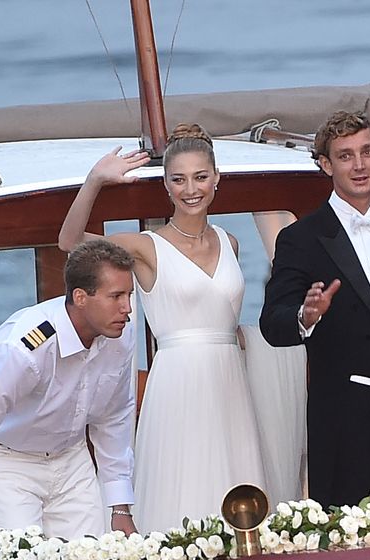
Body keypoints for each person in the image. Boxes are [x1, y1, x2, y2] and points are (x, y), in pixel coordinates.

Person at [59, 123, 266, 533]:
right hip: (178, 382)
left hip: (230, 382)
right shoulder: (146, 246)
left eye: (200, 177)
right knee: (182, 484)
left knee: (234, 485)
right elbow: (69, 241)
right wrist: (96, 180)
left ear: (216, 179)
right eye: (179, 180)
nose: (191, 189)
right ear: (167, 187)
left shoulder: (231, 241)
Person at [260, 110, 370, 508]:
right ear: (325, 164)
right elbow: (272, 323)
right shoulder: (301, 239)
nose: (359, 165)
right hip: (345, 426)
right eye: (345, 155)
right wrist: (306, 316)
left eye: (367, 152)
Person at [0, 240, 138, 539]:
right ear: (81, 297)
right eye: (116, 297)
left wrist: (120, 508)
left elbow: (113, 420)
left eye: (129, 295)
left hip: (72, 461)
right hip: (8, 465)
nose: (127, 309)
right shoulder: (23, 348)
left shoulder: (121, 338)